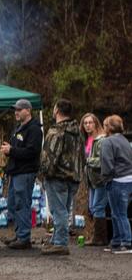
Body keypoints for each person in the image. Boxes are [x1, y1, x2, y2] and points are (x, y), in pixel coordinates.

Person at [37, 99, 84, 255]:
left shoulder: (56, 131)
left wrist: (43, 174)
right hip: (74, 177)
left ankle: (60, 242)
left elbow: (49, 157)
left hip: (57, 177)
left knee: (59, 212)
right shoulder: (77, 131)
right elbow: (82, 155)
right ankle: (56, 240)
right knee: (64, 210)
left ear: (56, 110)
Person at [2, 98, 43, 250]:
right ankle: (19, 234)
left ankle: (24, 237)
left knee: (22, 204)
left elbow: (32, 152)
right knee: (13, 204)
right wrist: (9, 150)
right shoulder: (19, 127)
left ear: (28, 110)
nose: (16, 113)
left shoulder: (34, 129)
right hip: (16, 171)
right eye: (15, 110)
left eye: (19, 110)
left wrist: (12, 150)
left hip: (25, 173)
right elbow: (19, 149)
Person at [99, 115, 132, 254]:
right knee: (117, 212)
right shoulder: (125, 140)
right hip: (129, 179)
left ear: (109, 127)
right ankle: (117, 240)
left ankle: (126, 242)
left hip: (116, 180)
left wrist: (105, 178)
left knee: (119, 213)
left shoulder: (108, 142)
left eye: (105, 125)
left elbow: (107, 163)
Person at [81, 113, 110, 247]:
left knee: (98, 207)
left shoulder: (101, 140)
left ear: (96, 123)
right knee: (93, 208)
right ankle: (96, 235)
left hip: (101, 179)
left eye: (90, 122)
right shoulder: (86, 140)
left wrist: (87, 161)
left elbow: (103, 161)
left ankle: (100, 238)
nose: (87, 125)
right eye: (85, 123)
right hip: (91, 180)